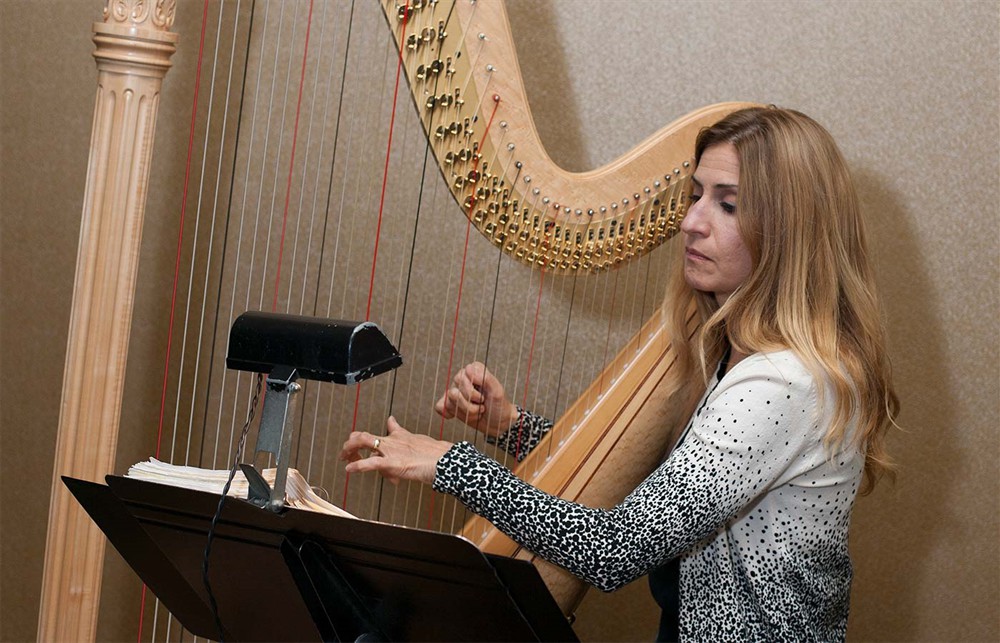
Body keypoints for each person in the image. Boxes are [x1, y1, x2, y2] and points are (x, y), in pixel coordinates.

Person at [340, 106, 899, 641]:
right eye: (696, 195)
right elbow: (664, 494)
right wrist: (508, 425)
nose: (690, 222)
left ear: (789, 232)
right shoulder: (742, 352)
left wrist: (448, 465)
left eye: (728, 206)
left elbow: (614, 550)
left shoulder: (784, 383)